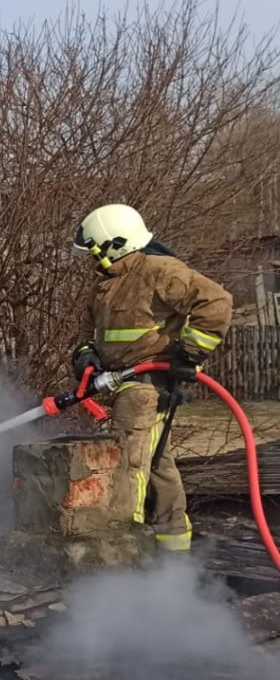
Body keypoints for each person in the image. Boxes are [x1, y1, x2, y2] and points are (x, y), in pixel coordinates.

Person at [70, 203, 232, 552]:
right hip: (120, 382)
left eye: (94, 252)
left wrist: (189, 353)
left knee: (130, 464)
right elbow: (89, 331)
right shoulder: (106, 285)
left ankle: (127, 545)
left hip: (146, 385)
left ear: (115, 244)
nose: (91, 261)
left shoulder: (160, 271)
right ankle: (173, 547)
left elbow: (216, 302)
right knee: (157, 463)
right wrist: (85, 355)